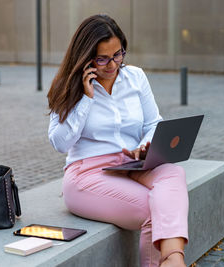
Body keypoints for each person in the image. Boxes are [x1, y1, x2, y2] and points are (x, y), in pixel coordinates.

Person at [47, 14, 188, 267]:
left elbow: (153, 123)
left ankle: (173, 260)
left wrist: (144, 147)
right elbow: (60, 143)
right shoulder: (68, 86)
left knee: (173, 172)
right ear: (86, 58)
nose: (112, 65)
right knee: (153, 211)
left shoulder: (135, 77)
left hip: (130, 163)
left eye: (118, 54)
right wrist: (85, 99)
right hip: (86, 174)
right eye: (102, 59)